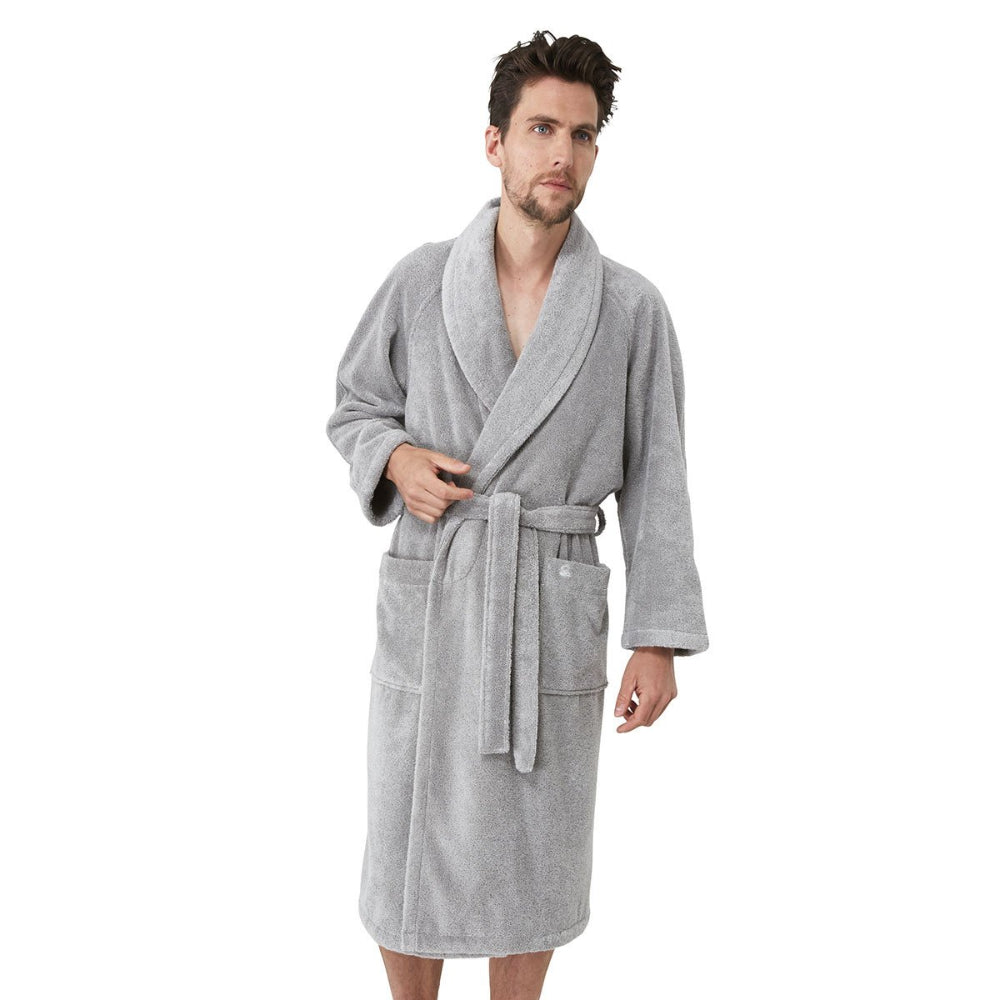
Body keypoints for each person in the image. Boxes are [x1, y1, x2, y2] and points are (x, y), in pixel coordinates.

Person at [326, 29, 710, 1000]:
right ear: (494, 141)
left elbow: (658, 477)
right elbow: (356, 405)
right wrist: (395, 458)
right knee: (407, 843)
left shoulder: (629, 309)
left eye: (582, 135)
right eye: (541, 129)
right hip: (437, 593)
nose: (561, 154)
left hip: (546, 604)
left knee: (531, 849)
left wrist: (657, 637)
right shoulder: (421, 281)